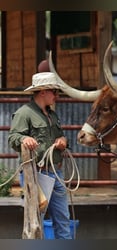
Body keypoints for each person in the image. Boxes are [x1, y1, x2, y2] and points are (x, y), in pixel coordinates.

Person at [8, 72, 72, 239]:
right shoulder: (24, 113)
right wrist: (24, 138)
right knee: (36, 220)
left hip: (56, 173)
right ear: (43, 91)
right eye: (54, 91)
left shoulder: (52, 115)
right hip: (36, 174)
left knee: (63, 219)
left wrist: (63, 140)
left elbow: (61, 136)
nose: (56, 95)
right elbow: (13, 138)